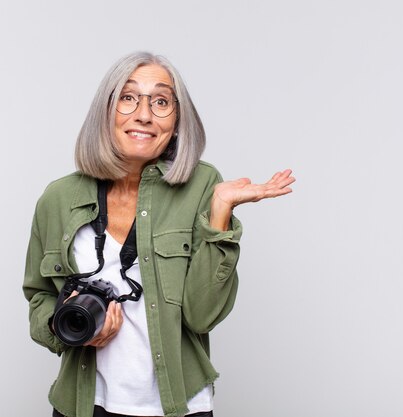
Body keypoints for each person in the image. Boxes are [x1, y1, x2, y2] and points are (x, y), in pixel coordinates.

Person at [23, 52, 295, 417]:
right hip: (83, 405)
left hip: (178, 405)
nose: (145, 114)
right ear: (107, 111)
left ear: (178, 121)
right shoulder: (58, 198)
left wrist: (220, 214)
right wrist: (66, 327)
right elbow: (39, 296)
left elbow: (202, 317)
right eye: (128, 97)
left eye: (162, 101)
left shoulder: (203, 186)